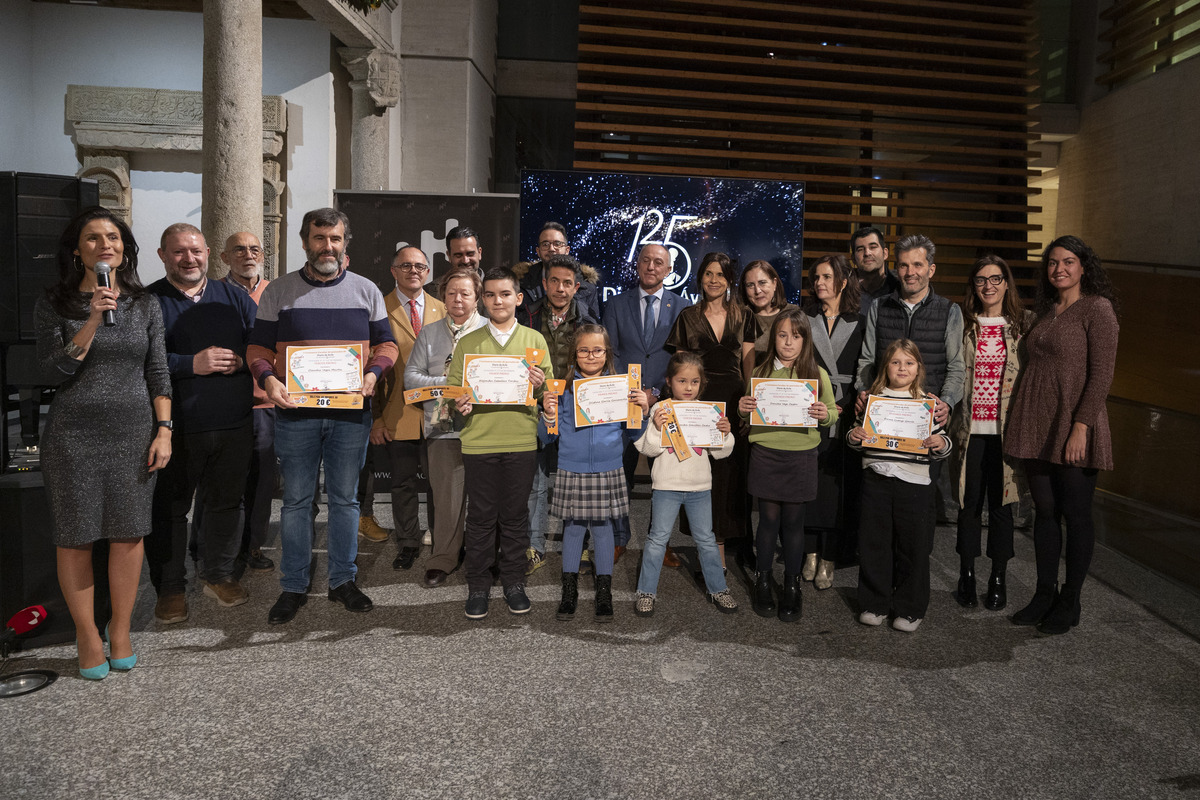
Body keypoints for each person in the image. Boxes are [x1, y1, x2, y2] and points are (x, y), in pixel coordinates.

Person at [35, 206, 172, 679]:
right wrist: (92, 319)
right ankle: (87, 634)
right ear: (78, 250)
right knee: (75, 537)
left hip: (134, 432)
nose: (104, 244)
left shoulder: (144, 305)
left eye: (112, 237)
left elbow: (158, 371)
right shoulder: (54, 303)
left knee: (127, 533)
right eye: (93, 238)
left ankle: (120, 629)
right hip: (72, 436)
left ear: (124, 248)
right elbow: (53, 371)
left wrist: (164, 430)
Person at [247, 207, 399, 625]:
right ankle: (293, 586)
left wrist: (372, 374)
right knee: (296, 502)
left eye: (335, 239)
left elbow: (387, 345)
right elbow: (258, 349)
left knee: (347, 501)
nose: (327, 246)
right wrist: (269, 381)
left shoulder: (367, 291)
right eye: (319, 238)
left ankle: (342, 582)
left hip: (350, 416)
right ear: (304, 242)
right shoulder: (278, 291)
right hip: (296, 415)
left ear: (345, 243)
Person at [1005, 236, 1119, 635]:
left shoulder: (1097, 309)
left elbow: (1102, 374)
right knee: (1045, 512)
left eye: (1068, 262)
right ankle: (1043, 593)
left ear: (1084, 266)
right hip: (1038, 424)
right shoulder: (1046, 311)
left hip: (1074, 425)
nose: (1060, 269)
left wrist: (1081, 427)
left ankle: (1070, 600)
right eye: (1053, 263)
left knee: (1075, 514)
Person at [146, 223, 256, 622]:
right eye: (178, 252)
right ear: (162, 255)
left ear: (209, 253)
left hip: (233, 422)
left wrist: (243, 360)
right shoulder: (148, 301)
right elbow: (141, 362)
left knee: (227, 503)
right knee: (170, 511)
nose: (188, 258)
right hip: (174, 428)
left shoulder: (235, 297)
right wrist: (190, 364)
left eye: (195, 251)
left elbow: (257, 344)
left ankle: (219, 575)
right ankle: (171, 588)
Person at [449, 267, 554, 620]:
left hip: (521, 441)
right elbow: (454, 394)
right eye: (491, 295)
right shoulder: (468, 343)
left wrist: (541, 386)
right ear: (483, 299)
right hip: (479, 441)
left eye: (505, 294)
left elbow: (551, 393)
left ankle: (513, 581)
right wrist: (458, 403)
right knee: (480, 518)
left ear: (518, 298)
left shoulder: (535, 342)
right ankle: (478, 584)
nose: (498, 301)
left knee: (514, 517)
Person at [540, 325, 649, 621]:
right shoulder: (561, 390)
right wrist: (548, 416)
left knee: (603, 530)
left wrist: (642, 408)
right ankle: (569, 590)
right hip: (571, 467)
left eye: (597, 350)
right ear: (575, 355)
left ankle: (604, 591)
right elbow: (548, 437)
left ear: (607, 353)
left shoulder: (620, 387)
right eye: (584, 350)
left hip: (607, 467)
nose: (591, 355)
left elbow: (635, 431)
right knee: (573, 529)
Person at [737, 309, 836, 622]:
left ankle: (792, 585)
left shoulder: (817, 375)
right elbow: (747, 412)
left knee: (794, 523)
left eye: (796, 336)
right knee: (767, 521)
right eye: (782, 335)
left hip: (801, 455)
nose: (788, 342)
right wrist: (742, 409)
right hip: (766, 452)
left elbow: (833, 412)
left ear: (805, 340)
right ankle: (763, 580)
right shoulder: (761, 373)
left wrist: (825, 414)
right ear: (774, 337)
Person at [848, 339, 952, 632]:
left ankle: (909, 608)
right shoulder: (872, 401)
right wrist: (854, 437)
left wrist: (941, 442)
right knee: (874, 544)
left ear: (918, 367)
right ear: (886, 367)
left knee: (913, 548)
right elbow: (855, 436)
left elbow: (944, 442)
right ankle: (873, 603)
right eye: (895, 362)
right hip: (876, 481)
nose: (902, 368)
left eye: (909, 362)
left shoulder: (926, 403)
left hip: (914, 484)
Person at [949, 255, 1032, 612]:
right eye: (981, 279)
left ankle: (998, 577)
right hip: (970, 432)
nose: (989, 286)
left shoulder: (1022, 326)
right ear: (974, 285)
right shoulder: (964, 324)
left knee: (1002, 509)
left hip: (1006, 433)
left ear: (1006, 283)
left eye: (995, 279)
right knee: (968, 507)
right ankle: (966, 574)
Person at [603, 243, 690, 563]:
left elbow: (680, 361)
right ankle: (617, 538)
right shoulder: (615, 304)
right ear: (636, 265)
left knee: (664, 480)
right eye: (646, 261)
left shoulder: (682, 308)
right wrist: (628, 392)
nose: (651, 267)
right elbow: (609, 354)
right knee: (619, 476)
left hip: (662, 404)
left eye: (659, 262)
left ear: (669, 270)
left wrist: (655, 393)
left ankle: (660, 543)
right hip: (622, 404)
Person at [633, 352, 738, 616]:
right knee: (657, 539)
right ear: (670, 382)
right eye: (682, 381)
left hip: (700, 487)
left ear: (701, 383)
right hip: (666, 486)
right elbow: (648, 449)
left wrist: (725, 433)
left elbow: (721, 452)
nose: (688, 387)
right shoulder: (660, 409)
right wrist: (656, 428)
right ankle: (646, 591)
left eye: (694, 382)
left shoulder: (709, 412)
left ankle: (718, 589)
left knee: (706, 539)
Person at [404, 269, 487, 587]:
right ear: (443, 296)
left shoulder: (491, 331)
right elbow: (411, 377)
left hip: (483, 428)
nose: (458, 299)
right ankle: (443, 558)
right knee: (447, 498)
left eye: (465, 293)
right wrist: (449, 384)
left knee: (484, 499)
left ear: (477, 296)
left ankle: (482, 556)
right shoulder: (430, 333)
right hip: (441, 429)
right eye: (451, 293)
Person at [665, 252, 747, 568]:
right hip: (699, 404)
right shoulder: (688, 316)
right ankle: (706, 549)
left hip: (734, 403)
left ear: (729, 280)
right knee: (703, 476)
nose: (714, 280)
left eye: (720, 274)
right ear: (700, 278)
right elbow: (682, 367)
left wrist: (749, 409)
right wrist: (684, 410)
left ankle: (720, 554)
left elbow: (748, 364)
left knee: (728, 478)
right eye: (708, 273)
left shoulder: (743, 316)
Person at [519, 254, 599, 575]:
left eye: (568, 283)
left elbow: (598, 366)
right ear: (544, 283)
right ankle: (534, 546)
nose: (560, 288)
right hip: (536, 407)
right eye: (554, 281)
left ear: (576, 287)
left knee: (574, 482)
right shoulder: (526, 317)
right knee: (536, 481)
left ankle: (576, 544)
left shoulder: (589, 323)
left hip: (572, 409)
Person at [372, 245, 446, 570]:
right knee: (402, 483)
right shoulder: (377, 308)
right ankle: (408, 542)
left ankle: (440, 540)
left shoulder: (443, 310)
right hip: (396, 412)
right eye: (405, 265)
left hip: (437, 412)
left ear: (427, 272)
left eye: (419, 266)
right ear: (393, 270)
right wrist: (375, 418)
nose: (413, 271)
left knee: (436, 481)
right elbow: (369, 366)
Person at [855, 234, 965, 431]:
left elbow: (956, 367)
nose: (910, 272)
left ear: (931, 270)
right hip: (884, 413)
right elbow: (867, 360)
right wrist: (864, 390)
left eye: (917, 265)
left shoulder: (950, 310)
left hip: (928, 415)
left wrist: (946, 402)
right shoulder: (879, 306)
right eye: (903, 265)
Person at [801, 254, 865, 590]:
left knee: (837, 485)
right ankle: (809, 551)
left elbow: (865, 369)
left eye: (826, 277)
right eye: (816, 278)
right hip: (812, 408)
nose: (820, 283)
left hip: (845, 410)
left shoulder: (861, 320)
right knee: (811, 482)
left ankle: (829, 555)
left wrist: (843, 405)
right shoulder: (804, 317)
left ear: (842, 280)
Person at [219, 231, 276, 572]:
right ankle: (214, 549)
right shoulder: (214, 294)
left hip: (266, 404)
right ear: (224, 257)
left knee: (261, 481)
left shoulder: (276, 292)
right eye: (238, 249)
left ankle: (252, 547)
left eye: (254, 249)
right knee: (224, 482)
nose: (247, 254)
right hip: (227, 401)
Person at [513, 221, 601, 321]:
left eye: (557, 244)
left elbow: (593, 328)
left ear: (567, 250)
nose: (551, 249)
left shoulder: (587, 289)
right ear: (538, 251)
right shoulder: (520, 283)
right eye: (545, 244)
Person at [739, 259, 797, 378]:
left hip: (788, 388)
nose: (757, 290)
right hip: (749, 389)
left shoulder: (793, 313)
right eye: (750, 285)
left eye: (762, 283)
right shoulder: (740, 317)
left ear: (774, 283)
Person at [849, 226, 900, 305]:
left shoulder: (899, 286)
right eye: (860, 249)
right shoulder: (843, 288)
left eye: (873, 247)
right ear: (853, 259)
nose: (867, 253)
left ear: (885, 253)